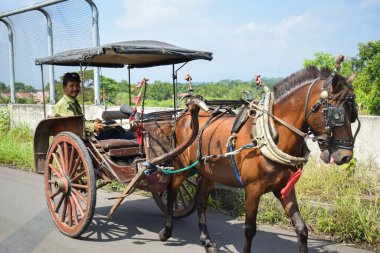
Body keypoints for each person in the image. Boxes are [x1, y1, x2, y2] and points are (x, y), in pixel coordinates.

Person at [55, 72, 135, 140]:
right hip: (79, 138)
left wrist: (94, 122)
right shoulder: (64, 104)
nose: (75, 88)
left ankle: (130, 134)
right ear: (64, 87)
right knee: (112, 127)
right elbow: (72, 126)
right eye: (71, 86)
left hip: (83, 134)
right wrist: (92, 126)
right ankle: (133, 135)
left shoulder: (73, 102)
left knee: (111, 123)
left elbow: (80, 123)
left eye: (77, 85)